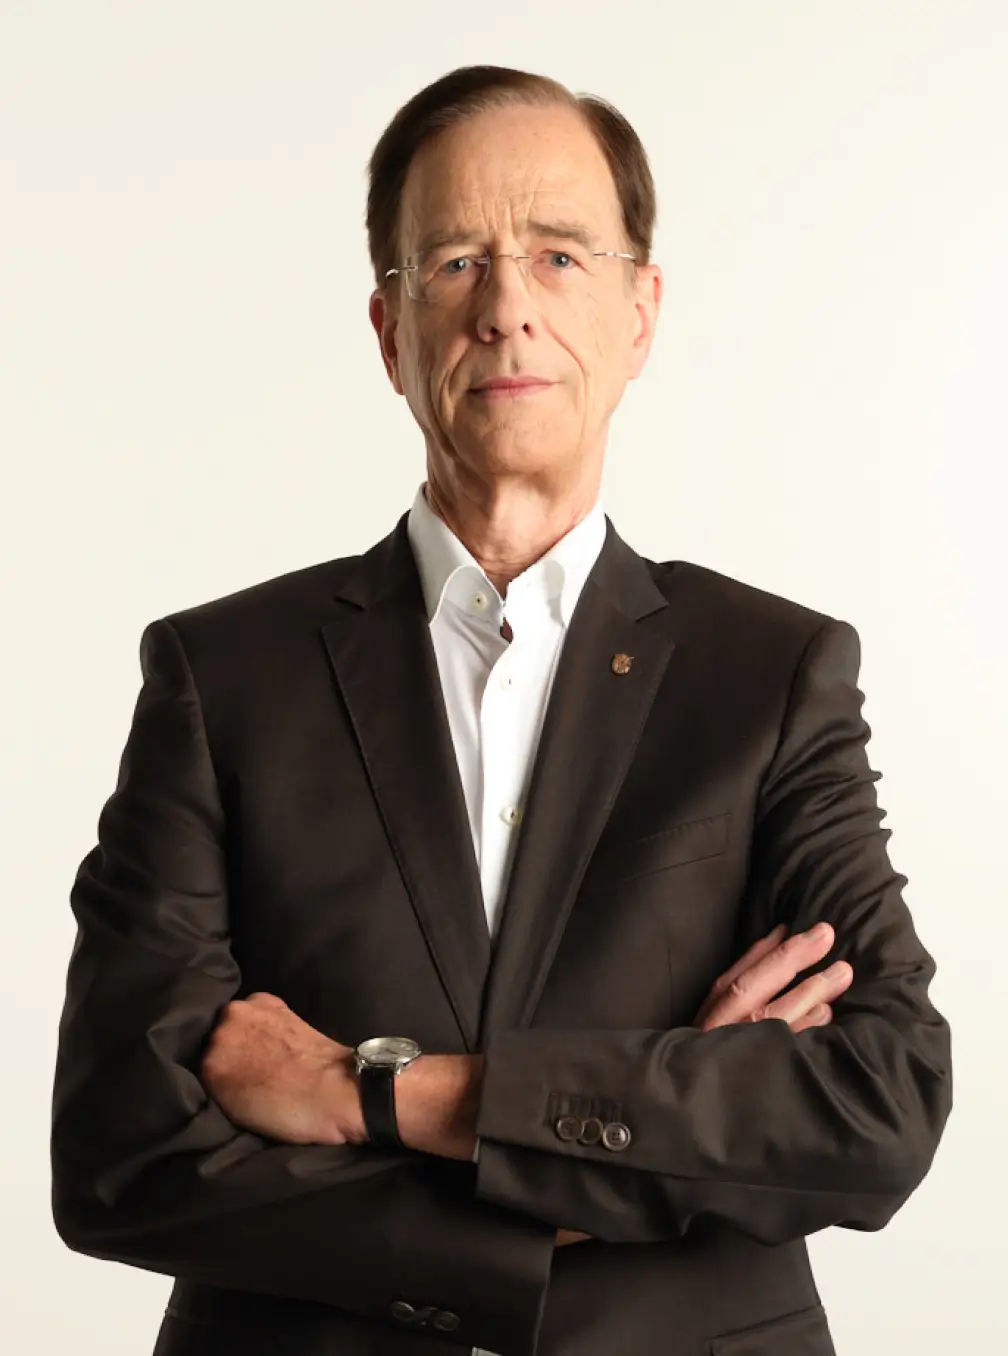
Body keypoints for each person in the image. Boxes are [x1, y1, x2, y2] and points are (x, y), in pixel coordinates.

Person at [50, 64, 952, 1356]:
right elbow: (119, 1154)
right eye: (457, 262)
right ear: (390, 332)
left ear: (641, 315)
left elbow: (880, 1098)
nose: (508, 307)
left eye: (560, 256)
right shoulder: (221, 674)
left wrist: (377, 1094)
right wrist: (635, 1147)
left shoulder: (773, 673)